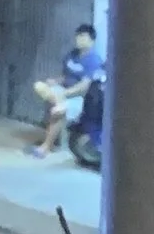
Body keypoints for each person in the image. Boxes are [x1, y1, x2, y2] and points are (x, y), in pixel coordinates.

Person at [31, 22, 104, 158]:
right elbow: (65, 76)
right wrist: (54, 81)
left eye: (83, 36)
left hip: (81, 98)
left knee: (58, 110)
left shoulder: (94, 60)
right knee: (39, 86)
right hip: (63, 90)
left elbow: (84, 86)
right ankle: (56, 101)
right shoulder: (72, 54)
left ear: (91, 40)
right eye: (78, 36)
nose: (79, 39)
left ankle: (45, 147)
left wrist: (64, 94)